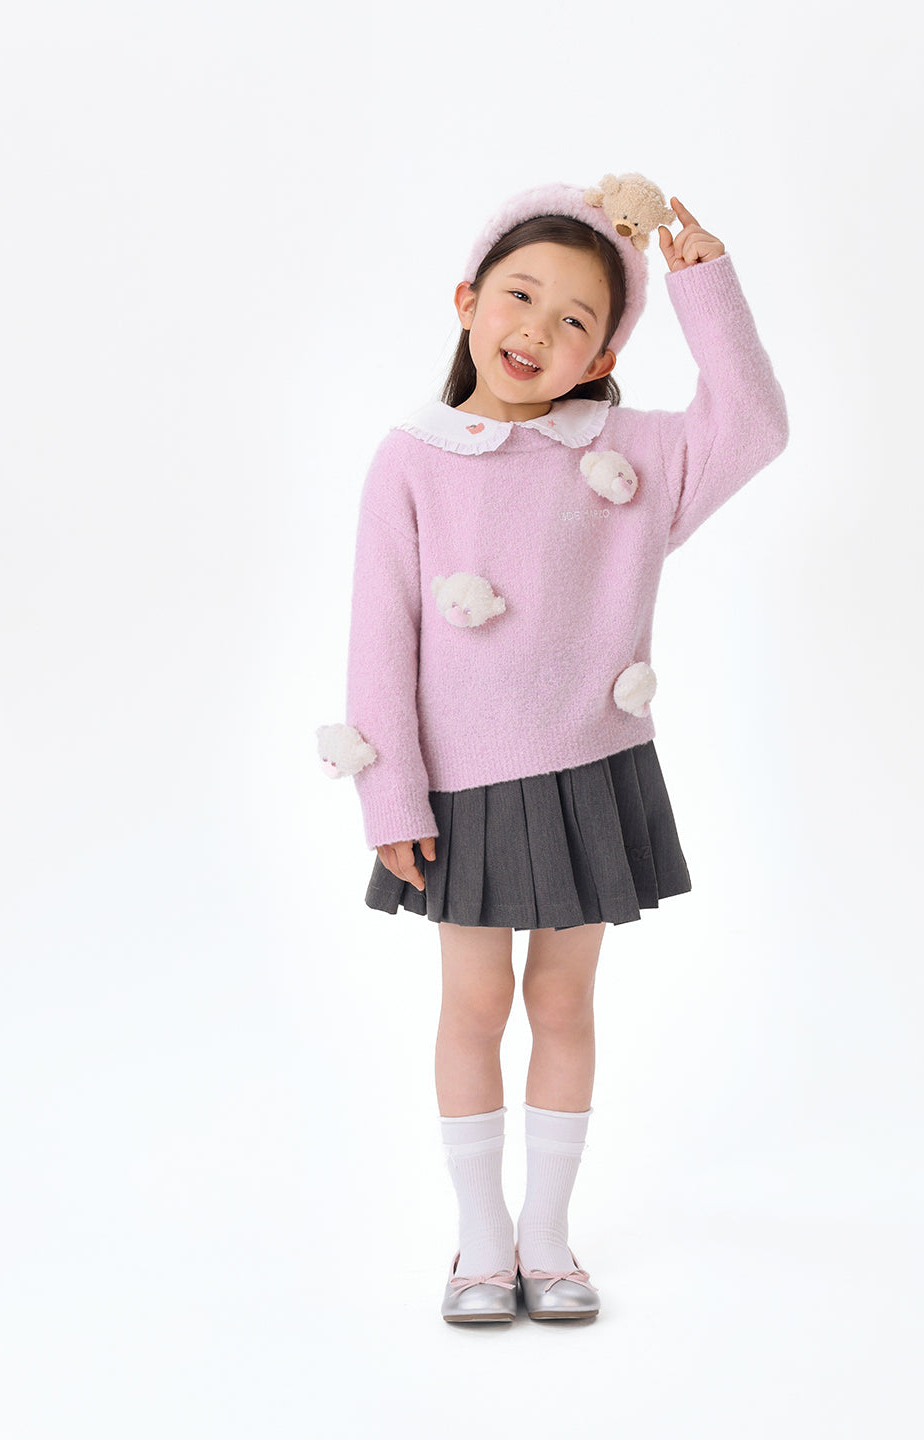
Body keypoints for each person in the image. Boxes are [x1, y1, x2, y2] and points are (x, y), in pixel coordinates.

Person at [316, 172, 789, 1322]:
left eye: (576, 318)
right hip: (461, 787)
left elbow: (754, 426)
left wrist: (703, 282)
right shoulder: (412, 458)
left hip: (590, 771)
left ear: (602, 355)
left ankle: (549, 1240)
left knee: (566, 1003)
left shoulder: (630, 459)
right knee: (476, 1004)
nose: (537, 329)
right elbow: (381, 633)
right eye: (520, 295)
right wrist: (391, 799)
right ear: (468, 301)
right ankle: (481, 1243)